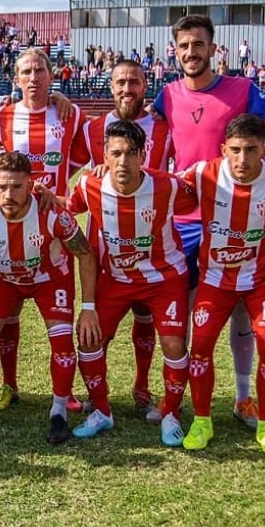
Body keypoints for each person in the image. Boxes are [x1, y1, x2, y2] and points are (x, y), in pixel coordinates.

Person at [151, 14, 265, 429]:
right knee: (186, 315)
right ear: (175, 50)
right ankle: (180, 399)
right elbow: (150, 150)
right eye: (184, 45)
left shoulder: (242, 90)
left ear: (213, 48)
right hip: (185, 219)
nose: (191, 52)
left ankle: (243, 399)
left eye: (199, 44)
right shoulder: (166, 96)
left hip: (234, 216)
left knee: (242, 309)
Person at [178, 115, 265, 455]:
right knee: (202, 347)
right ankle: (202, 420)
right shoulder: (202, 173)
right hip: (214, 278)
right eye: (235, 150)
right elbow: (157, 187)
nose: (242, 159)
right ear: (224, 149)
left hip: (264, 279)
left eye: (251, 150)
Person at [0, 151, 102, 444]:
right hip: (4, 281)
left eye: (17, 187)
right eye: (2, 187)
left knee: (61, 343)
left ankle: (58, 412)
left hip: (49, 281)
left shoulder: (53, 214)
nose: (8, 194)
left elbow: (85, 254)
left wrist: (88, 306)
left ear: (31, 185)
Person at [68, 120, 196, 446]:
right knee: (88, 339)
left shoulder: (168, 187)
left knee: (173, 344)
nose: (123, 161)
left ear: (143, 156)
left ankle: (170, 412)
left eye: (130, 153)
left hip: (164, 278)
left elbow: (200, 197)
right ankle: (101, 411)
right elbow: (66, 208)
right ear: (105, 157)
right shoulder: (89, 186)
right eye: (116, 154)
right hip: (114, 279)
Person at [0, 47, 85, 414]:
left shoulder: (69, 114)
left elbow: (85, 153)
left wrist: (60, 190)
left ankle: (66, 391)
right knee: (8, 314)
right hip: (11, 225)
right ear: (16, 79)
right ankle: (8, 384)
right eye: (25, 71)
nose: (33, 76)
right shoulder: (3, 117)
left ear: (50, 75)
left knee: (59, 316)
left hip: (54, 230)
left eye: (39, 70)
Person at [71, 60, 172, 418]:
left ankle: (142, 385)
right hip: (106, 249)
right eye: (120, 83)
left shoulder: (164, 127)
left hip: (151, 245)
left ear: (146, 85)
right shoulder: (92, 129)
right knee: (100, 328)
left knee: (146, 319)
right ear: (110, 86)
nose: (127, 89)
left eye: (134, 82)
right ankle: (98, 395)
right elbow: (74, 170)